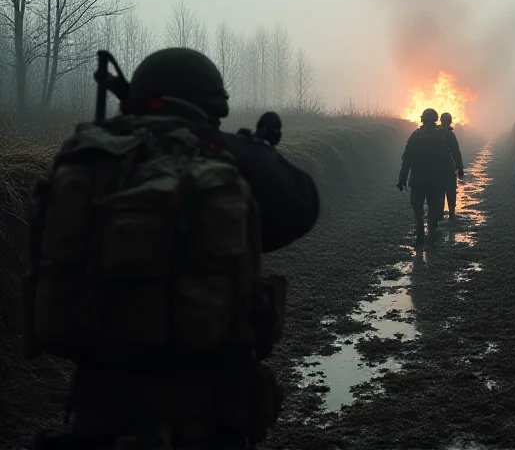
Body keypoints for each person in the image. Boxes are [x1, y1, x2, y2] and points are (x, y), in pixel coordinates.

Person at [25, 48, 320, 450]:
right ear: (210, 104)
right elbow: (302, 207)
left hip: (98, 401)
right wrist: (257, 153)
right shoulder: (219, 154)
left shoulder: (84, 159)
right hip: (207, 409)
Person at [397, 108, 454, 247]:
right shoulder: (440, 137)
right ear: (435, 120)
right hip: (435, 181)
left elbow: (406, 159)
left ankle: (420, 233)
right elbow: (446, 159)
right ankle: (432, 233)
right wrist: (447, 176)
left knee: (418, 208)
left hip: (417, 180)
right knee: (434, 207)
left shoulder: (415, 136)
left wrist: (402, 178)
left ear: (422, 119)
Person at [439, 112, 465, 222]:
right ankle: (451, 214)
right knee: (450, 191)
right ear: (449, 122)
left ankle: (439, 215)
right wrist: (460, 168)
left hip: (435, 169)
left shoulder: (434, 133)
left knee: (438, 192)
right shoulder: (450, 134)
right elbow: (456, 152)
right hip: (448, 168)